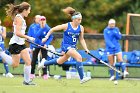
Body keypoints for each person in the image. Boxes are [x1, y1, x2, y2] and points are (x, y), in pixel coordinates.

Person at [38, 7, 91, 84]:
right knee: (79, 57)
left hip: (73, 47)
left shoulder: (81, 28)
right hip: (66, 46)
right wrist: (46, 37)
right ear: (73, 19)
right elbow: (52, 29)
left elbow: (82, 39)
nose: (80, 21)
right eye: (78, 19)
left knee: (60, 61)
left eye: (81, 19)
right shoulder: (66, 26)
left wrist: (86, 48)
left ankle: (44, 63)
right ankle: (82, 78)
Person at [5, 2, 36, 85]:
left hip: (21, 44)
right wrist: (28, 37)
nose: (29, 12)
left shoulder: (22, 18)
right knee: (15, 64)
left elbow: (20, 33)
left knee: (28, 61)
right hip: (15, 44)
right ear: (25, 10)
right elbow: (17, 33)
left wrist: (25, 38)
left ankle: (26, 81)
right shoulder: (19, 18)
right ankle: (1, 53)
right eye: (29, 10)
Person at [103, 19, 129, 83]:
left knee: (120, 59)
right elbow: (107, 40)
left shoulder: (116, 29)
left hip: (117, 47)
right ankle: (112, 76)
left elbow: (119, 37)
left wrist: (116, 33)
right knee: (111, 63)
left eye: (113, 24)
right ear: (109, 24)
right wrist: (112, 46)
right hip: (109, 48)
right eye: (111, 24)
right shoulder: (106, 30)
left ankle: (124, 71)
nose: (112, 25)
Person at [31, 16, 53, 80]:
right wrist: (41, 28)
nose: (43, 21)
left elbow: (51, 37)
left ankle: (45, 74)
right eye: (41, 20)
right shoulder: (36, 27)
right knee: (34, 59)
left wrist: (46, 44)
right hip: (36, 45)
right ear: (39, 21)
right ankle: (32, 73)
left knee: (44, 60)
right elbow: (36, 36)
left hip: (44, 46)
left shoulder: (48, 28)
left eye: (44, 20)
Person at [27, 15, 41, 79]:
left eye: (40, 18)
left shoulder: (43, 26)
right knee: (34, 59)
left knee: (42, 59)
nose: (39, 19)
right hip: (33, 45)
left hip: (41, 45)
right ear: (35, 19)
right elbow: (29, 36)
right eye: (37, 18)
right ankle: (32, 73)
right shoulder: (32, 26)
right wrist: (31, 46)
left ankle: (44, 73)